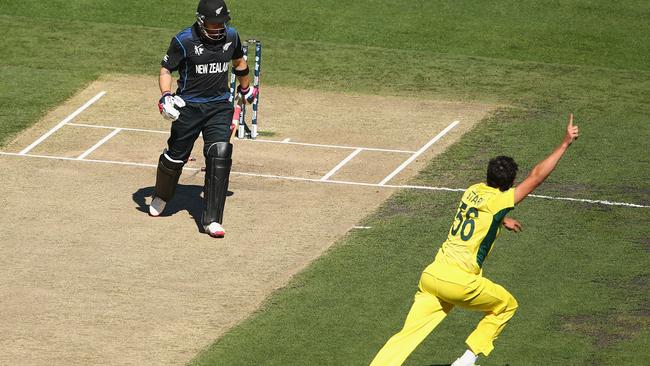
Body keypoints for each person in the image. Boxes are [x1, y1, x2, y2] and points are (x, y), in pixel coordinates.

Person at [370, 115, 580, 366]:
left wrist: (502, 220)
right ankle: (466, 361)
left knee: (405, 337)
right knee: (506, 305)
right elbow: (536, 176)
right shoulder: (501, 201)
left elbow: (480, 213)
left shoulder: (472, 190)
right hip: (460, 282)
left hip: (432, 275)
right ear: (510, 183)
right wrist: (565, 143)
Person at [149, 0, 257, 238]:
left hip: (219, 106)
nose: (218, 28)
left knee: (219, 153)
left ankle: (212, 220)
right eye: (213, 23)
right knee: (176, 157)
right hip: (188, 107)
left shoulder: (231, 36)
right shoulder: (184, 40)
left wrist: (246, 88)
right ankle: (162, 195)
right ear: (201, 20)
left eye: (221, 23)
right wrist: (166, 96)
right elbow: (166, 69)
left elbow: (239, 62)